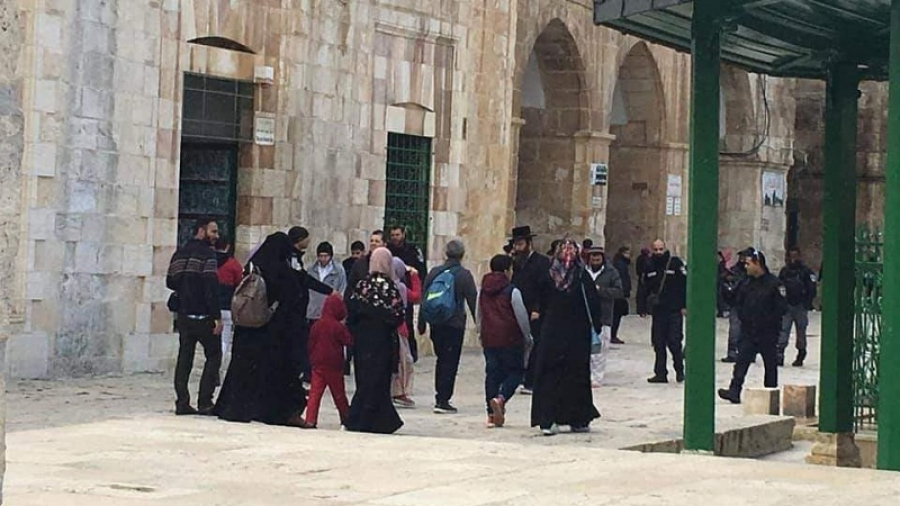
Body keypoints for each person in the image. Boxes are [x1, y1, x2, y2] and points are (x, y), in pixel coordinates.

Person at [214, 232, 311, 428]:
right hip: (273, 332)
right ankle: (278, 412)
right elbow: (292, 299)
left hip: (247, 328)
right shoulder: (282, 272)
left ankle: (235, 407)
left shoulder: (253, 267)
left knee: (243, 370)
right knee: (277, 373)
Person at [531, 239, 603, 436]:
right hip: (567, 334)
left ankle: (570, 418)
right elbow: (594, 305)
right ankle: (553, 418)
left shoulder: (572, 275)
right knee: (561, 374)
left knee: (569, 374)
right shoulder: (577, 275)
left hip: (561, 333)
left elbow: (539, 304)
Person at [345, 247, 405, 434]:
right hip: (382, 341)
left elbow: (352, 310)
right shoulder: (390, 287)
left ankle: (360, 418)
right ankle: (376, 420)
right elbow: (398, 315)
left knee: (364, 379)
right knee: (379, 380)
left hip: (363, 340)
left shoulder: (362, 285)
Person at [166, 218, 223, 415]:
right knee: (214, 356)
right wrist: (216, 316)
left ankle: (182, 401)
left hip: (183, 315)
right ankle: (205, 401)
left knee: (185, 358)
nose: (216, 236)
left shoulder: (180, 253)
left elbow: (170, 281)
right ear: (202, 230)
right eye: (213, 231)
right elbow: (211, 286)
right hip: (203, 315)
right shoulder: (208, 254)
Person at [718, 248, 788, 404]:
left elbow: (781, 308)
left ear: (758, 264)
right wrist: (724, 286)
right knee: (741, 362)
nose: (746, 267)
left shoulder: (774, 284)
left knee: (770, 364)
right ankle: (734, 391)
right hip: (749, 330)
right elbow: (736, 300)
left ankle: (770, 394)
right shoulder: (746, 282)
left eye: (748, 264)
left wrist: (767, 320)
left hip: (767, 332)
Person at [417, 239, 478, 414]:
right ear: (462, 255)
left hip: (436, 323)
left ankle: (440, 396)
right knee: (450, 361)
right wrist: (480, 326)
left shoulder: (434, 272)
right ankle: (443, 399)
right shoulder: (464, 275)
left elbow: (424, 297)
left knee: (441, 359)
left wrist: (421, 323)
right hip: (455, 324)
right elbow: (473, 301)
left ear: (446, 253)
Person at [476, 255, 533, 428]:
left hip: (489, 338)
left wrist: (480, 332)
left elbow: (479, 314)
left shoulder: (483, 290)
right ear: (508, 270)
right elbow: (521, 315)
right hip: (510, 338)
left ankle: (491, 415)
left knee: (492, 374)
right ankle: (500, 399)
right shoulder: (512, 290)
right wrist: (527, 336)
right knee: (515, 372)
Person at [286, 228, 336, 383]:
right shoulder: (292, 258)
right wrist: (329, 291)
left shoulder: (296, 258)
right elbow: (304, 279)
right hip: (297, 312)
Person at [509, 226, 552, 395]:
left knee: (535, 344)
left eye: (521, 243)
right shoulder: (515, 263)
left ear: (528, 243)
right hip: (517, 308)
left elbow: (544, 288)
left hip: (534, 310)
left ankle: (531, 380)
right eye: (516, 244)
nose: (518, 247)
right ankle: (518, 376)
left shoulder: (542, 262)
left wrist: (537, 308)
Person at [641, 239, 687, 384]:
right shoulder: (649, 265)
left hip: (674, 310)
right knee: (658, 343)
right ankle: (660, 373)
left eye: (661, 249)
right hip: (658, 311)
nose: (658, 252)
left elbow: (684, 285)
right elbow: (644, 288)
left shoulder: (675, 263)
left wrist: (684, 305)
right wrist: (642, 307)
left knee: (674, 342)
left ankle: (680, 371)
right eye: (656, 250)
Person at [304, 294, 352, 428]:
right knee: (339, 394)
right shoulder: (338, 327)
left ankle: (310, 419)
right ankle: (346, 418)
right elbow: (348, 341)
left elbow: (310, 343)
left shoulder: (317, 325)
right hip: (334, 365)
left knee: (315, 393)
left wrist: (311, 358)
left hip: (318, 364)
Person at [387, 226, 427, 363]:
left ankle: (411, 351)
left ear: (403, 234)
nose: (395, 237)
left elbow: (421, 270)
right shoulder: (387, 251)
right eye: (392, 235)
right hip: (390, 291)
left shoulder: (412, 251)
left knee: (407, 322)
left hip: (407, 292)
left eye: (397, 234)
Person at [585, 246, 623, 386]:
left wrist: (600, 291)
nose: (595, 260)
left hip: (603, 316)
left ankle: (597, 377)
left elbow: (618, 291)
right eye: (593, 258)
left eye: (598, 258)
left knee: (600, 349)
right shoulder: (583, 272)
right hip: (585, 315)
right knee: (585, 349)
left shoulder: (611, 272)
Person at [777, 247, 817, 367]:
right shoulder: (784, 271)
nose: (793, 259)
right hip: (787, 305)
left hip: (800, 306)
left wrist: (807, 303)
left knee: (801, 331)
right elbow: (779, 286)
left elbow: (812, 288)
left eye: (795, 256)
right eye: (791, 256)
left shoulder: (806, 272)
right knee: (784, 330)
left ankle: (801, 353)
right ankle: (780, 354)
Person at [391, 257, 421, 408]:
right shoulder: (399, 286)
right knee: (404, 361)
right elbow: (416, 296)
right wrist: (414, 276)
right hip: (399, 327)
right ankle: (399, 392)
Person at [215, 237, 243, 376]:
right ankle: (218, 368)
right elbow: (239, 283)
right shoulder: (233, 264)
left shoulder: (209, 261)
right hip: (226, 306)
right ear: (227, 246)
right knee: (224, 340)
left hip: (210, 306)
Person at [307, 241, 348, 325]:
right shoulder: (311, 269)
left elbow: (342, 288)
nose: (323, 259)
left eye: (326, 256)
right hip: (313, 310)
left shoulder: (338, 270)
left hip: (330, 311)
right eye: (320, 256)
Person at [720, 249, 750, 363]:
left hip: (749, 305)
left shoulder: (752, 273)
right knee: (735, 330)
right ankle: (732, 353)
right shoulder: (734, 271)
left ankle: (747, 353)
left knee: (748, 331)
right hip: (736, 305)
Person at [346, 230, 387, 298]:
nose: (373, 243)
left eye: (377, 241)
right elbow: (350, 287)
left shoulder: (389, 264)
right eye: (371, 241)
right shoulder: (359, 264)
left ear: (384, 244)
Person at [611, 246, 632, 344]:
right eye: (627, 253)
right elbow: (622, 279)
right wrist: (624, 291)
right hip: (619, 294)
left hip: (620, 293)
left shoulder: (621, 263)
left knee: (616, 314)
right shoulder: (620, 264)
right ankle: (612, 335)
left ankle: (612, 334)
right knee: (616, 315)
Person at [635, 247, 652, 316]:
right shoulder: (647, 259)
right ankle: (645, 310)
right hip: (646, 279)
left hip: (642, 279)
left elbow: (638, 270)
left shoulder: (639, 259)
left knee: (641, 296)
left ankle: (641, 310)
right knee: (644, 296)